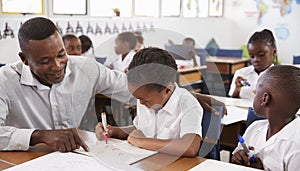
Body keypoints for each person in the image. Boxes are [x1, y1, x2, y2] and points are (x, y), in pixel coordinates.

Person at [0, 17, 225, 152]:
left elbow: (136, 90)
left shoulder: (86, 68)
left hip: (73, 161)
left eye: (61, 54)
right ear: (24, 59)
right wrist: (39, 135)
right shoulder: (5, 81)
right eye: (45, 61)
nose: (58, 65)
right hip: (23, 162)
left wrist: (181, 95)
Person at [96, 47, 203, 157]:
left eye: (144, 100)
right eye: (138, 98)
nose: (140, 103)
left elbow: (190, 147)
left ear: (167, 89)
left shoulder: (188, 104)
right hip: (147, 162)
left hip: (174, 167)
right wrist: (114, 131)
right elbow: (141, 129)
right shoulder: (145, 98)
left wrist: (141, 142)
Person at [231, 65, 300, 171]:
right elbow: (236, 162)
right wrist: (238, 158)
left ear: (265, 98)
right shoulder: (254, 128)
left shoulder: (296, 146)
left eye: (256, 92)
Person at [228, 29, 277, 100]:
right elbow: (232, 102)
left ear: (273, 52)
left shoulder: (279, 77)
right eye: (252, 56)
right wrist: (237, 89)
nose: (256, 60)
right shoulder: (241, 73)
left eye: (261, 55)